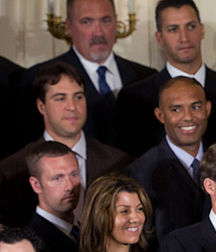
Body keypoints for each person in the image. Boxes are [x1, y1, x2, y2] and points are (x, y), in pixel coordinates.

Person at [0, 62, 130, 227]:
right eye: (60, 98)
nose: (72, 107)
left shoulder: (120, 162)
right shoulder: (11, 169)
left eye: (78, 97)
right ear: (41, 106)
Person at [115, 0, 216, 156]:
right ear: (159, 37)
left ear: (202, 30)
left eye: (190, 27)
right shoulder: (135, 98)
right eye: (173, 29)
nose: (184, 38)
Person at [20, 0, 155, 147]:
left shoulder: (147, 77)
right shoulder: (37, 78)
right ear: (69, 27)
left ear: (116, 22)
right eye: (87, 22)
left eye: (105, 20)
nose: (98, 32)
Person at [126, 76, 210, 239]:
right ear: (160, 115)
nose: (188, 117)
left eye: (196, 106)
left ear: (207, 109)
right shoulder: (139, 174)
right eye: (176, 109)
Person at [25, 142, 82, 252]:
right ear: (36, 185)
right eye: (58, 178)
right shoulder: (31, 245)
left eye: (74, 174)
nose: (70, 186)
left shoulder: (86, 231)